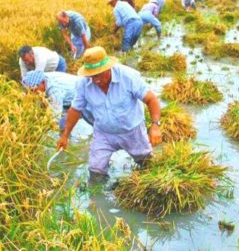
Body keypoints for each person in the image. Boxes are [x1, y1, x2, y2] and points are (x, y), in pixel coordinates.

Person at [57, 46, 162, 178]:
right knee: (95, 170)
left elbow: (151, 100)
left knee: (146, 162)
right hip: (103, 133)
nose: (96, 80)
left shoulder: (128, 76)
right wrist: (65, 135)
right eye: (91, 76)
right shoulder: (83, 84)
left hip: (132, 131)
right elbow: (75, 109)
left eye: (99, 75)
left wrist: (155, 125)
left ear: (108, 68)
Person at [22, 70, 93, 130]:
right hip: (73, 93)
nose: (33, 93)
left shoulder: (55, 91)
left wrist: (42, 128)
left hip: (86, 96)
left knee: (94, 121)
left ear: (43, 83)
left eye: (34, 90)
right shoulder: (43, 77)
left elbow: (55, 117)